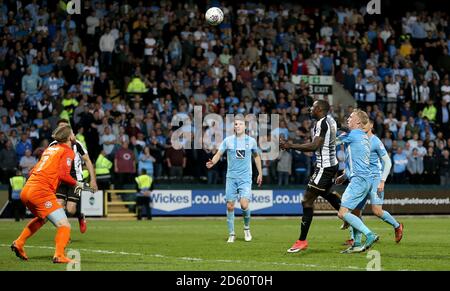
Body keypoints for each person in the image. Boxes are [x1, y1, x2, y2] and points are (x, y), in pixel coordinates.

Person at [11, 124, 92, 263]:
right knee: (64, 225)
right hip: (40, 191)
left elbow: (32, 171)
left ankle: (19, 243)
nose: (74, 134)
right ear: (69, 137)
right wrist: (80, 184)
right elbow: (63, 175)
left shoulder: (50, 149)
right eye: (72, 132)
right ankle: (59, 255)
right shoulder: (68, 151)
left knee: (43, 218)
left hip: (27, 189)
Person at [281, 100, 341, 253]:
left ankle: (301, 241)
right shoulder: (331, 120)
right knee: (327, 195)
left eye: (313, 107)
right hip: (331, 164)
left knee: (306, 200)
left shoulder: (322, 123)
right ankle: (351, 219)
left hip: (325, 167)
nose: (310, 109)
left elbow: (314, 146)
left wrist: (291, 145)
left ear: (319, 109)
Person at [341, 119, 403, 253]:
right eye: (361, 123)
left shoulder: (375, 141)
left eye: (366, 123)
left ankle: (397, 225)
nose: (363, 126)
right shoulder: (358, 139)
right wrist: (345, 175)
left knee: (377, 211)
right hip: (363, 178)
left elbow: (387, 162)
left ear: (372, 125)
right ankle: (355, 240)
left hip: (376, 179)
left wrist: (382, 181)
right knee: (356, 211)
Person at [206, 114, 263, 243]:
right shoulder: (228, 141)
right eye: (236, 124)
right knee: (230, 206)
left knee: (244, 204)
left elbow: (256, 157)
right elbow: (219, 153)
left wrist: (260, 173)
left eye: (240, 124)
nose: (238, 126)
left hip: (245, 177)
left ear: (245, 126)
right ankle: (232, 234)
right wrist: (213, 162)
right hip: (231, 178)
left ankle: (246, 228)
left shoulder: (251, 141)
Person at [335, 109, 379, 253]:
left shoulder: (352, 134)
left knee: (342, 213)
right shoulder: (364, 137)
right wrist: (344, 176)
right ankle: (356, 244)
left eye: (351, 117)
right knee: (353, 213)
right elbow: (357, 161)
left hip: (359, 180)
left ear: (358, 122)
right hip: (365, 179)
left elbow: (332, 143)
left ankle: (369, 234)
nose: (348, 119)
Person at [49, 119, 98, 234]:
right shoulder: (53, 145)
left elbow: (88, 161)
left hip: (75, 180)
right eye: (61, 127)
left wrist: (93, 180)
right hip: (61, 179)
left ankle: (80, 216)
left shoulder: (77, 144)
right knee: (58, 207)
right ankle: (64, 233)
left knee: (70, 210)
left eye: (66, 128)